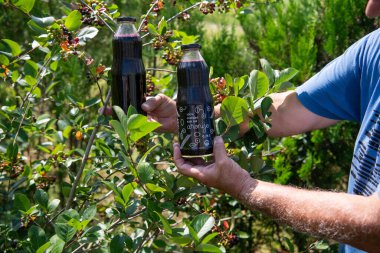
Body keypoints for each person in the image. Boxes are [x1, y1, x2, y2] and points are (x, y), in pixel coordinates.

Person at [141, 1, 380, 252]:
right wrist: (191, 119)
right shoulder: (373, 51)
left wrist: (245, 187)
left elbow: (375, 226)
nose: (371, 9)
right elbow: (288, 110)